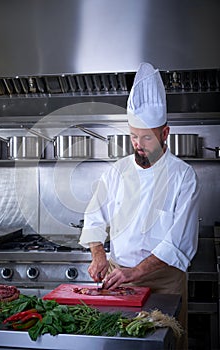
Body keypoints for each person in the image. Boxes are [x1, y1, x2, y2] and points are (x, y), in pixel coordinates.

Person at [79, 62, 200, 349]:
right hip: (118, 277)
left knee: (162, 345)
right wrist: (98, 254)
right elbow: (94, 218)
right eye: (134, 136)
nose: (138, 145)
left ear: (165, 133)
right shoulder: (116, 172)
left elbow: (179, 242)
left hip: (163, 282)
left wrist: (136, 273)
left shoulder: (183, 176)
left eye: (146, 137)